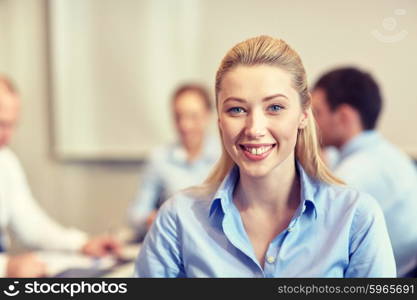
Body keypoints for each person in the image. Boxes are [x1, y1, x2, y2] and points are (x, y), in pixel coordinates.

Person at [134, 36, 396, 277]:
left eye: (275, 107)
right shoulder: (178, 219)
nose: (254, 129)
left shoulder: (356, 217)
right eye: (236, 109)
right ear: (219, 120)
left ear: (304, 115)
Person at [0, 75, 122, 277]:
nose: (8, 136)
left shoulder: (6, 161)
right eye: (2, 124)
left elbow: (32, 225)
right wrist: (6, 267)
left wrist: (82, 244)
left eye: (13, 125)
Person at [311, 67, 417, 277]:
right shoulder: (382, 153)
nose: (310, 123)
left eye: (317, 113)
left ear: (343, 117)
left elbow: (314, 240)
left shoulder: (356, 174)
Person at [128, 84, 220, 240]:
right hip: (173, 242)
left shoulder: (225, 156)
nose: (185, 125)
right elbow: (137, 213)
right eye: (178, 117)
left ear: (208, 116)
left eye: (193, 116)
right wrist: (147, 220)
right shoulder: (159, 158)